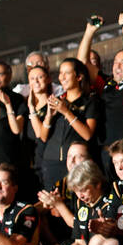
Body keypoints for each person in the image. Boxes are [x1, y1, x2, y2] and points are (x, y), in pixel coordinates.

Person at [32, 57, 99, 186]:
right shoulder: (55, 101)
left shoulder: (90, 102)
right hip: (51, 163)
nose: (62, 77)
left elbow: (88, 134)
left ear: (79, 77)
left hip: (76, 163)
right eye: (60, 73)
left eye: (66, 73)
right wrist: (49, 116)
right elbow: (43, 136)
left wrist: (66, 112)